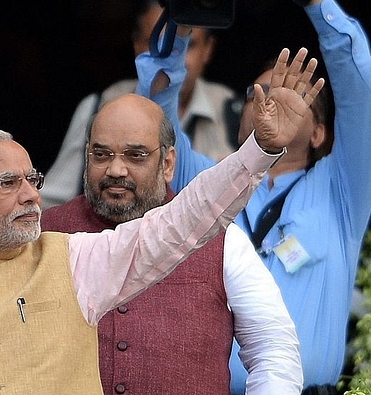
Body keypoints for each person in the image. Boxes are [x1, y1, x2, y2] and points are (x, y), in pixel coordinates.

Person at [0, 62, 322, 393]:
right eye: (7, 183)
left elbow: (181, 222)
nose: (30, 195)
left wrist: (258, 149)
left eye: (33, 179)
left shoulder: (72, 257)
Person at [134, 0, 371, 393]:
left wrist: (317, 5)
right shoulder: (205, 180)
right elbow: (153, 117)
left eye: (293, 92)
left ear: (319, 133)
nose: (270, 100)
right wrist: (181, 26)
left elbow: (359, 90)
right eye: (255, 92)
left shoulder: (344, 189)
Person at [40, 93, 302, 394]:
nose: (115, 170)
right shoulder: (46, 233)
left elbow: (273, 349)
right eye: (101, 155)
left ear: (168, 163)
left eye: (134, 155)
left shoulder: (222, 240)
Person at [40, 0, 239, 209]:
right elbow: (50, 203)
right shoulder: (99, 107)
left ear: (208, 49)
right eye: (102, 154)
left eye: (189, 45)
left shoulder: (235, 109)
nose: (172, 56)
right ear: (136, 44)